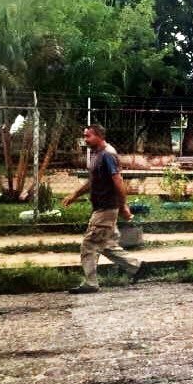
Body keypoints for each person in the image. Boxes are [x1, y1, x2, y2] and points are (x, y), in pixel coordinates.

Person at [62, 124, 144, 293]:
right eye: (84, 136)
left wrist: (123, 206)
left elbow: (118, 182)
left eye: (88, 136)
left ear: (99, 136)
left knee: (89, 244)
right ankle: (137, 267)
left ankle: (91, 283)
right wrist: (75, 195)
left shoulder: (108, 154)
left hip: (107, 207)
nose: (85, 140)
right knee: (106, 244)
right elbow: (93, 180)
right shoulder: (96, 154)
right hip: (100, 207)